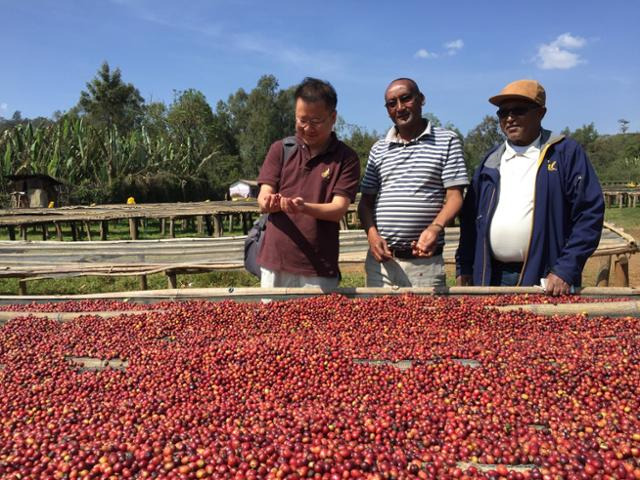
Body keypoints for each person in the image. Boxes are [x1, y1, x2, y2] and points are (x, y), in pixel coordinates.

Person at [456, 79, 604, 295]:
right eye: (502, 113)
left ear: (541, 113)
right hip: (490, 275)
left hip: (546, 277)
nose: (509, 118)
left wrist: (565, 269)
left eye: (519, 110)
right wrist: (465, 266)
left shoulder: (564, 153)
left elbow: (589, 214)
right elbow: (469, 221)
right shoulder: (491, 161)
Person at [358, 78, 469, 287]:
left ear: (421, 99)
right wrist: (372, 236)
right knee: (375, 319)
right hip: (382, 265)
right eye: (392, 103)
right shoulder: (378, 149)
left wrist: (435, 227)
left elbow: (455, 197)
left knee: (426, 319)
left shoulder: (446, 141)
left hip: (425, 264)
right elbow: (365, 203)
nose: (399, 108)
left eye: (406, 99)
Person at [256, 77, 360, 288]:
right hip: (275, 261)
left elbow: (338, 209)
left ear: (333, 118)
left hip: (318, 267)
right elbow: (263, 197)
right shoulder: (280, 149)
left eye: (316, 121)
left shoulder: (346, 158)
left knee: (316, 321)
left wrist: (303, 207)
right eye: (301, 120)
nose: (307, 128)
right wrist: (270, 202)